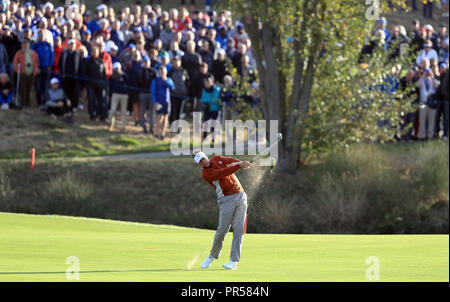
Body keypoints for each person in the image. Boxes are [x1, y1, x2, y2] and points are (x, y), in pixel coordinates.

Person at [193, 151, 250, 271]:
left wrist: (239, 162)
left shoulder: (216, 158)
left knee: (239, 229)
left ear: (206, 156)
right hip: (226, 200)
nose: (203, 162)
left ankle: (233, 261)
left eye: (203, 158)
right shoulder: (206, 174)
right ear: (199, 164)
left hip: (241, 196)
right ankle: (212, 256)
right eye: (200, 162)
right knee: (222, 230)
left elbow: (229, 161)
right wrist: (240, 165)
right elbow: (222, 172)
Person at [13, 39, 39, 107]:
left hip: (31, 73)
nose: (25, 45)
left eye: (26, 44)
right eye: (23, 44)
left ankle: (29, 103)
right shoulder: (19, 53)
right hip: (22, 73)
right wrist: (18, 71)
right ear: (21, 45)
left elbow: (37, 62)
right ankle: (24, 103)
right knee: (23, 89)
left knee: (30, 89)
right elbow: (15, 63)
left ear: (29, 45)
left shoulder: (33, 53)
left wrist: (36, 71)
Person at [151, 65, 175, 140]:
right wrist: (155, 101)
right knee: (159, 117)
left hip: (167, 102)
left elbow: (172, 87)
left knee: (165, 118)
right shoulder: (155, 80)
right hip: (159, 102)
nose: (162, 73)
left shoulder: (168, 80)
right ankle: (157, 132)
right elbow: (153, 91)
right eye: (161, 72)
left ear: (166, 72)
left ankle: (162, 134)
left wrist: (166, 81)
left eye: (163, 72)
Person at [417, 68, 440, 140]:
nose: (427, 74)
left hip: (431, 103)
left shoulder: (433, 81)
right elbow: (418, 85)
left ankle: (430, 135)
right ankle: (422, 135)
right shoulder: (421, 81)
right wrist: (423, 76)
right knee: (422, 119)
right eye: (426, 72)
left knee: (431, 120)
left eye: (428, 72)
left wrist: (432, 77)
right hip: (423, 103)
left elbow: (437, 85)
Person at [84, 46, 107, 121]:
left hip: (100, 84)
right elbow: (85, 73)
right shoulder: (88, 61)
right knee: (91, 100)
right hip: (91, 85)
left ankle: (102, 116)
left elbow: (103, 73)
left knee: (102, 101)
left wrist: (103, 82)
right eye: (93, 51)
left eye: (95, 51)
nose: (94, 52)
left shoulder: (101, 61)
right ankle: (92, 115)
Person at [138, 56, 157, 134]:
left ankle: (151, 129)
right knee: (142, 112)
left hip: (151, 94)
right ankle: (144, 128)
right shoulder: (140, 71)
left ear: (149, 63)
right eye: (144, 62)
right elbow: (138, 82)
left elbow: (156, 83)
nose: (145, 63)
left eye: (147, 62)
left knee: (151, 112)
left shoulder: (153, 71)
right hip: (142, 93)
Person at [168, 55, 189, 123]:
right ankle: (172, 124)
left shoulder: (184, 71)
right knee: (173, 110)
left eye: (177, 62)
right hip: (173, 95)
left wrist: (186, 92)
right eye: (174, 62)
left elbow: (187, 81)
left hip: (182, 95)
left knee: (179, 112)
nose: (176, 63)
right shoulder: (170, 72)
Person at [108, 62, 128, 131]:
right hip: (115, 94)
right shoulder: (112, 77)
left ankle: (123, 126)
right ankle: (110, 124)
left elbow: (128, 82)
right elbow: (110, 86)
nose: (116, 70)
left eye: (117, 68)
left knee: (123, 111)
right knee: (112, 110)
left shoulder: (124, 76)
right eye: (115, 69)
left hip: (124, 95)